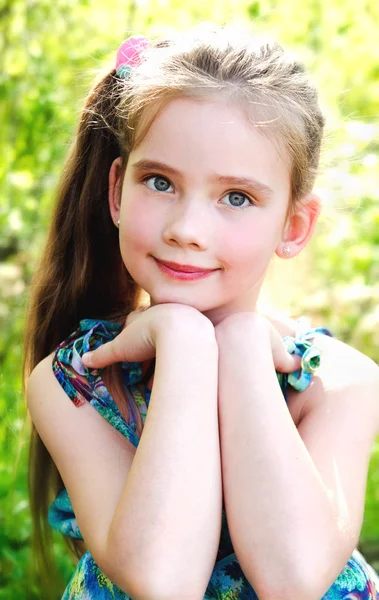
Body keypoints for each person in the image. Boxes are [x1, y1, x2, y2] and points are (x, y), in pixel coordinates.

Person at [24, 24, 379, 600]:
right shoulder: (76, 381)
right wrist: (186, 343)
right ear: (117, 191)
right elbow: (162, 580)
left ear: (293, 226)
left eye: (236, 197)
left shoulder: (340, 382)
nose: (186, 230)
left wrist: (238, 344)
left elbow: (293, 579)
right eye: (159, 182)